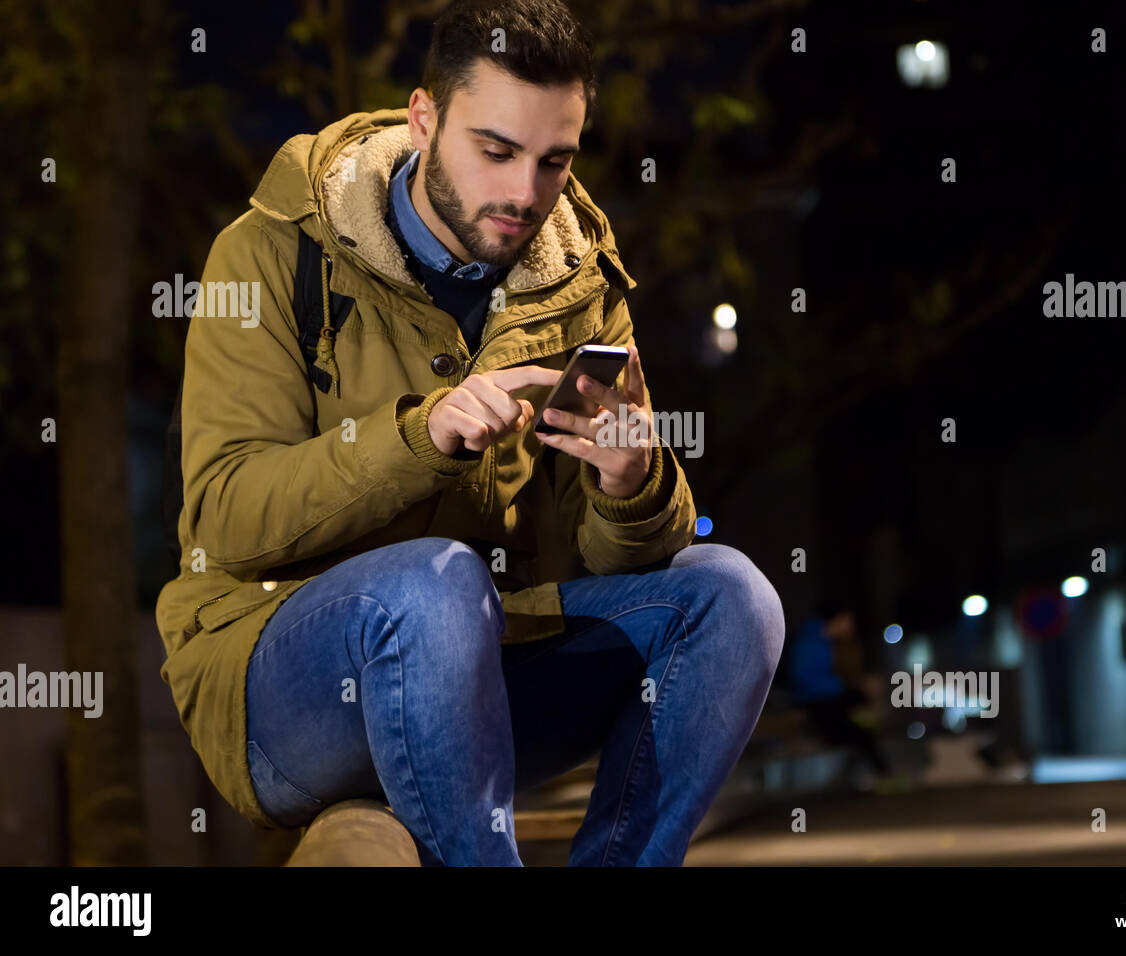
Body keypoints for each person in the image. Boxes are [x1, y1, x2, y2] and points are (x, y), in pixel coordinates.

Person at [154, 0, 784, 867]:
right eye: (495, 151)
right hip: (282, 685)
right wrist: (417, 436)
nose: (525, 194)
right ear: (424, 118)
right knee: (435, 585)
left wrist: (628, 482)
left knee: (732, 598)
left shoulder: (578, 285)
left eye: (553, 161)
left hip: (480, 673)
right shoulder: (272, 252)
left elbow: (617, 565)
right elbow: (223, 517)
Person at [788, 602, 894, 785]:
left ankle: (865, 721)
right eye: (848, 621)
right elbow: (804, 680)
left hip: (831, 699)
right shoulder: (810, 642)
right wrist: (845, 685)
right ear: (837, 620)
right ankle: (883, 773)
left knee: (859, 722)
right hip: (816, 703)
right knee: (859, 732)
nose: (850, 627)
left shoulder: (830, 643)